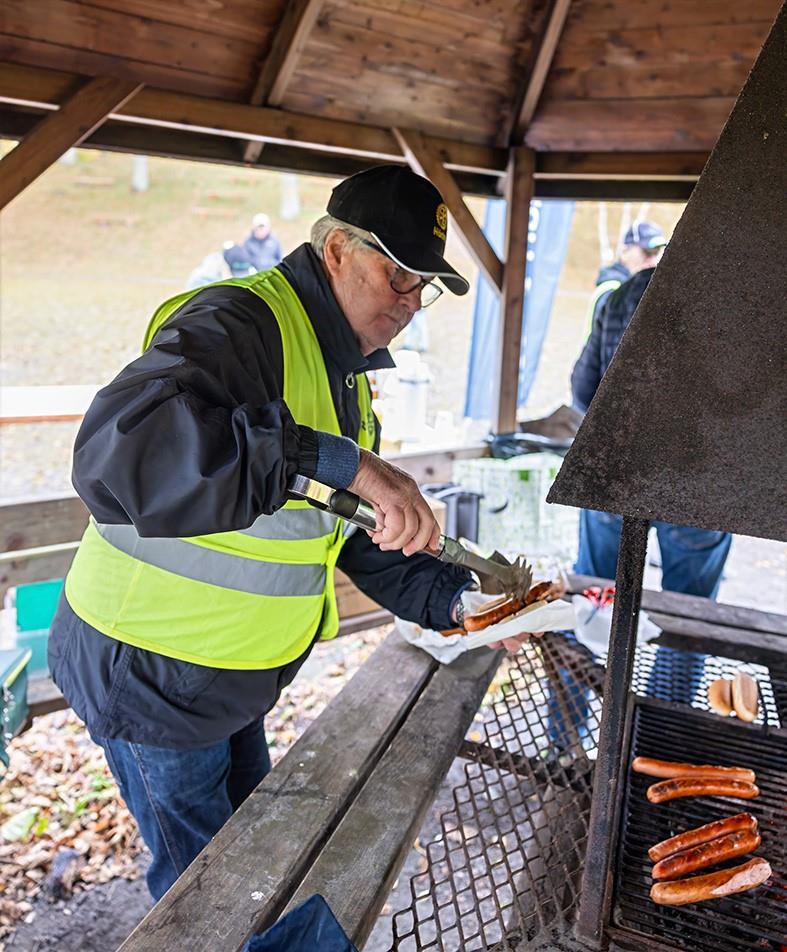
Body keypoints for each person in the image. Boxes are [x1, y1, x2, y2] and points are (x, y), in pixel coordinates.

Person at [48, 165, 534, 904]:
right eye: (398, 274)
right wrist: (341, 459)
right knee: (202, 903)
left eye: (424, 284)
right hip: (151, 672)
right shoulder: (235, 323)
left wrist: (456, 603)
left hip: (233, 676)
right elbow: (124, 451)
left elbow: (344, 530)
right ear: (337, 249)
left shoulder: (345, 373)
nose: (410, 301)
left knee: (253, 873)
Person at [547, 246, 733, 750]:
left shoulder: (625, 294)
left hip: (613, 469)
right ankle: (657, 739)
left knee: (593, 595)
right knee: (687, 608)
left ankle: (564, 739)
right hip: (701, 480)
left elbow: (583, 388)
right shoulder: (731, 303)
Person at [584, 221, 668, 334]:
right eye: (647, 253)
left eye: (656, 253)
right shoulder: (614, 290)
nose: (653, 261)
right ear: (624, 252)